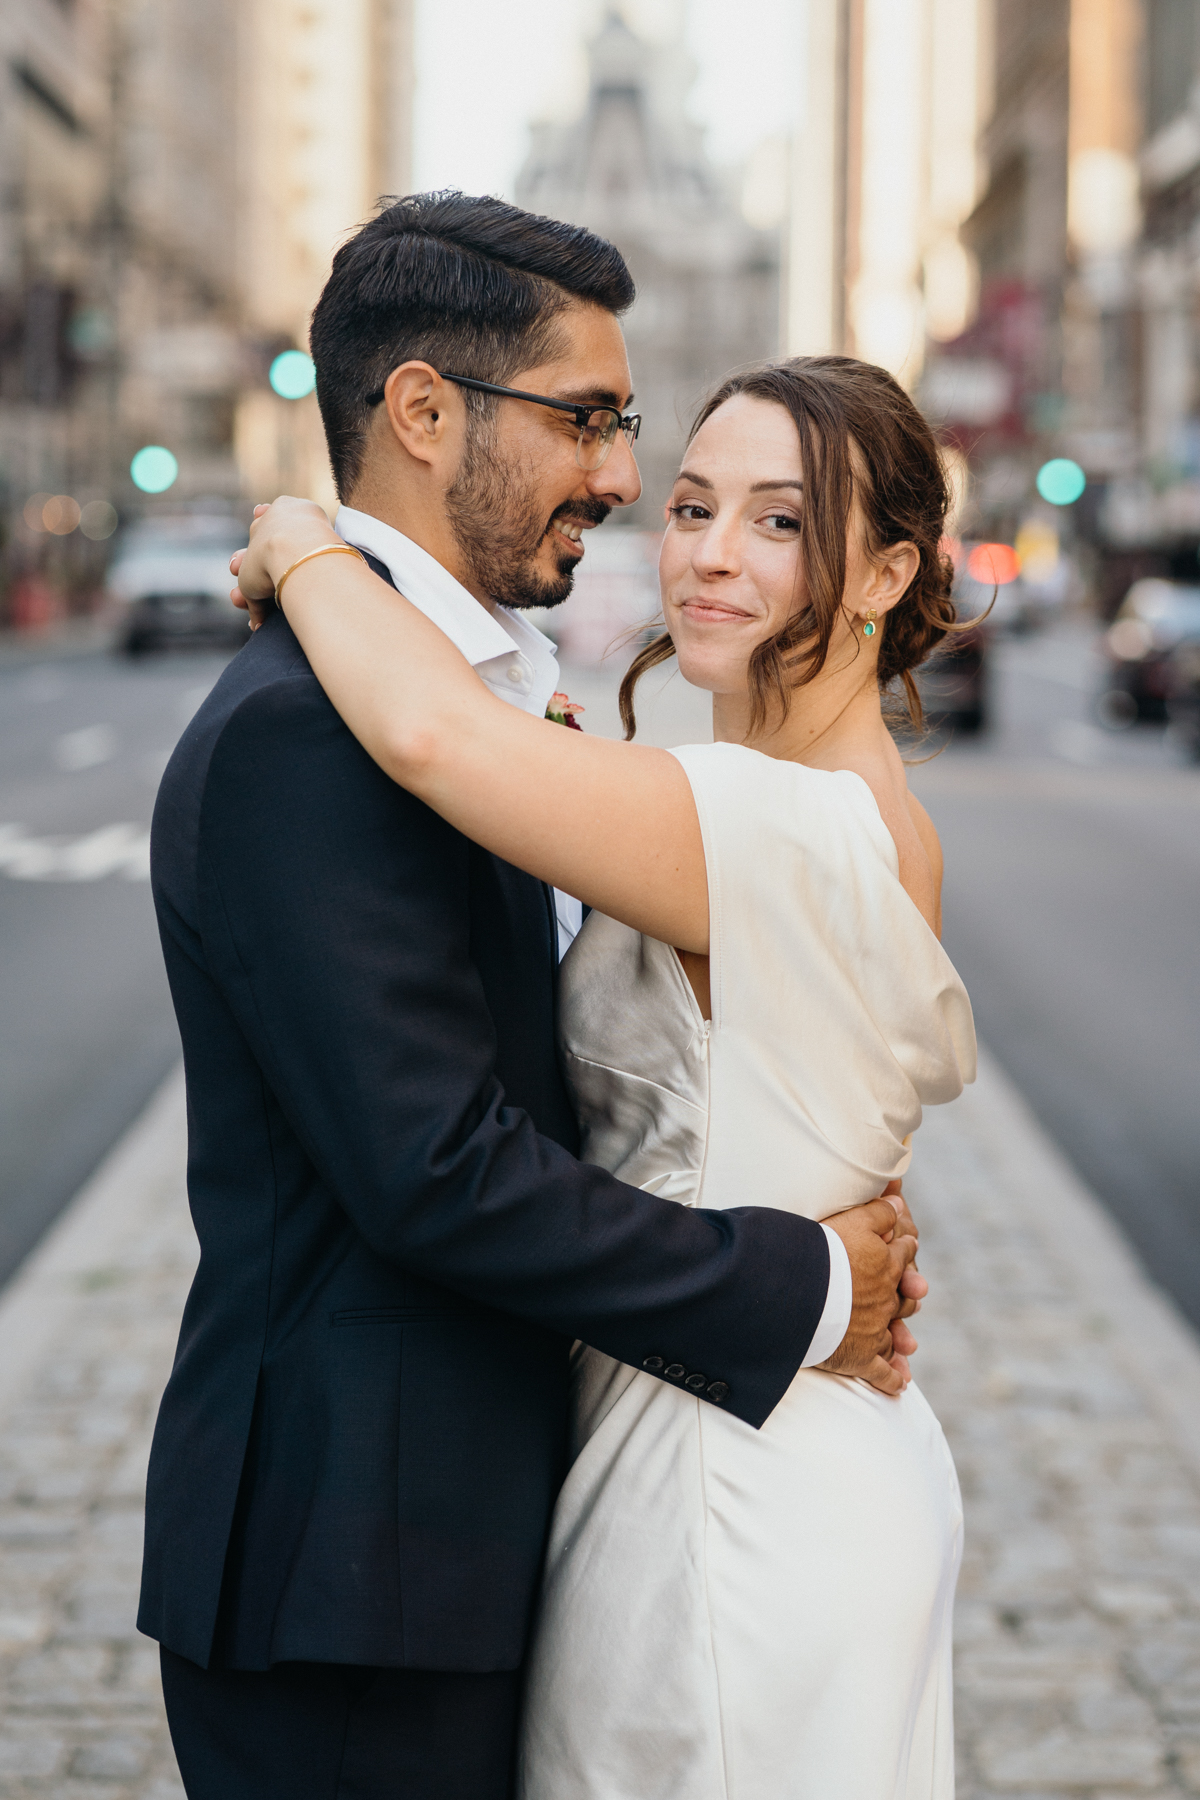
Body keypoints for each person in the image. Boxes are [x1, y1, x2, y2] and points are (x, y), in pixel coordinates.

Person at [140, 192, 923, 1800]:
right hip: (360, 1569)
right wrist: (807, 1286)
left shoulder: (557, 747)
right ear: (423, 411)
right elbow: (435, 1168)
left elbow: (459, 761)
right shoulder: (319, 726)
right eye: (596, 425)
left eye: (771, 519)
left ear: (882, 574)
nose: (638, 495)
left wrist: (304, 548)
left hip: (558, 1519)